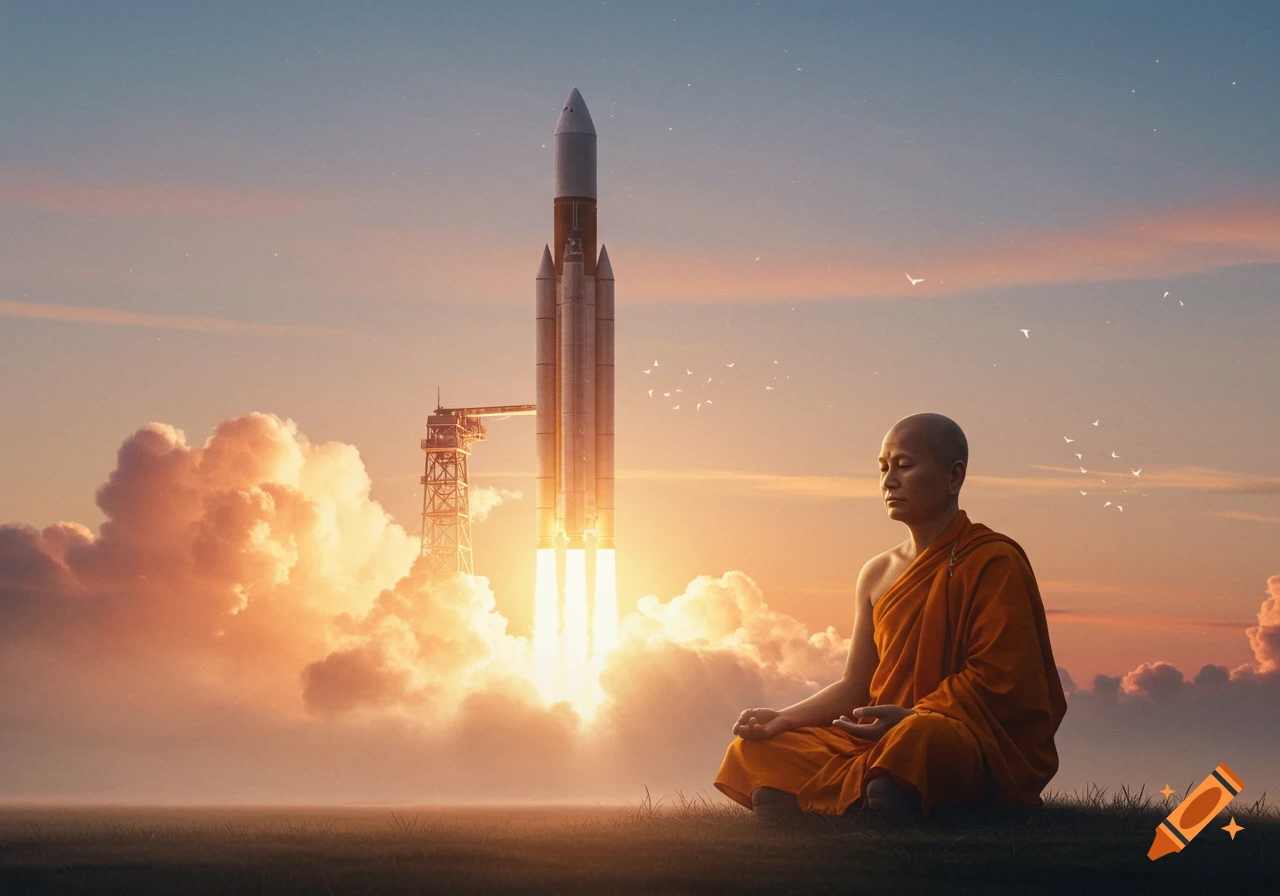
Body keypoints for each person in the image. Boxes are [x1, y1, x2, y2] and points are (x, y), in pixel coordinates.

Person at [714, 412, 1068, 823]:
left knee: (919, 741)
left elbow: (1003, 680)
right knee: (754, 750)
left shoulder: (993, 561)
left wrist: (914, 716)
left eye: (904, 465)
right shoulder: (876, 573)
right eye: (883, 469)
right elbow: (856, 685)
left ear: (954, 477)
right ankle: (877, 796)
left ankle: (841, 800)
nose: (888, 481)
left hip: (956, 737)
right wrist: (784, 718)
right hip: (873, 737)